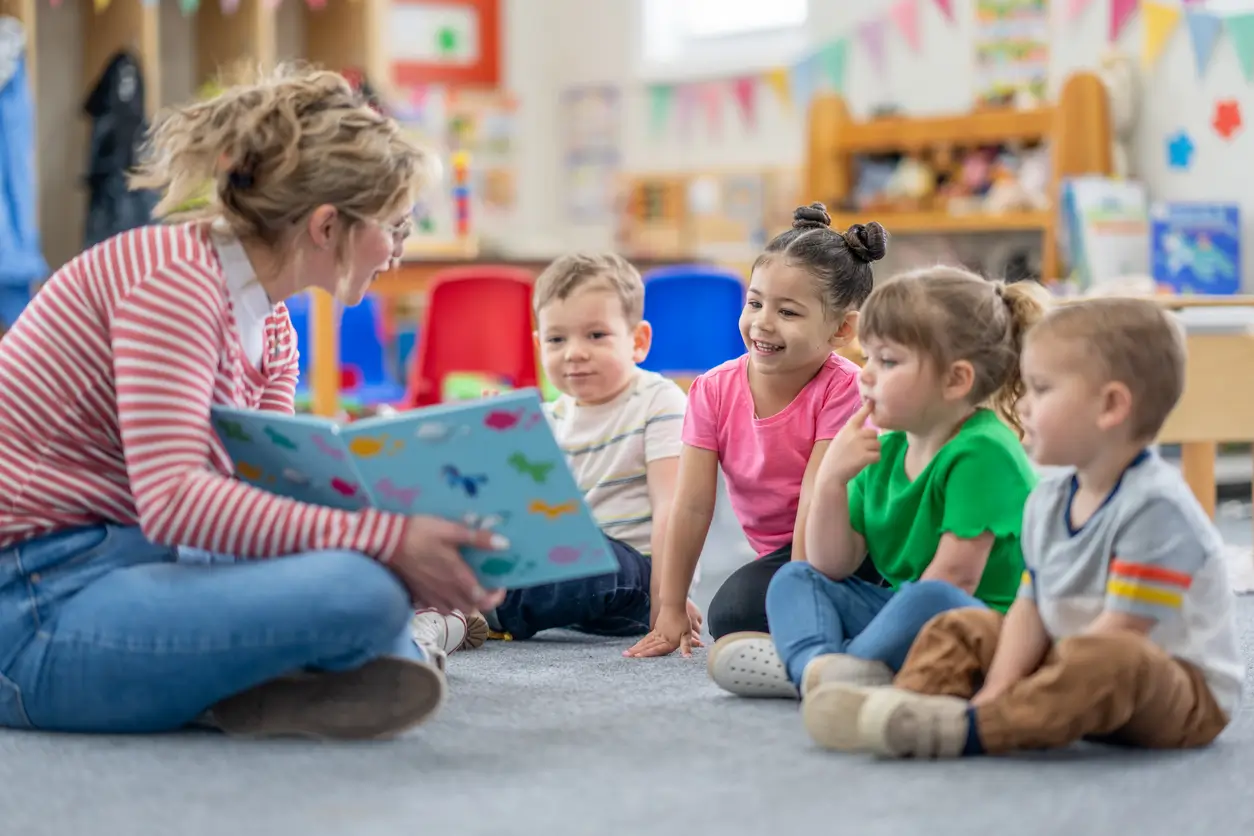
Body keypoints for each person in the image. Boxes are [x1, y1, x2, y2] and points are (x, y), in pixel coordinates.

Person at [0, 65, 509, 740]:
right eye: (397, 225)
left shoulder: (270, 321)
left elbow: (269, 489)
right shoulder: (174, 284)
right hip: (37, 603)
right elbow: (176, 499)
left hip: (142, 559)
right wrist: (388, 540)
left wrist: (394, 510)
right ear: (328, 225)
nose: (399, 249)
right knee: (363, 594)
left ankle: (269, 673)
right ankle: (306, 664)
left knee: (368, 580)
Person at [802, 297, 1242, 758]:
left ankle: (970, 730)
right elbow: (1030, 609)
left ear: (1110, 406)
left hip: (1173, 691)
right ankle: (906, 707)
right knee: (962, 626)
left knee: (1107, 659)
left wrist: (999, 703)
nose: (1023, 405)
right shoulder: (1050, 499)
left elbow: (1120, 632)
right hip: (1066, 657)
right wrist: (997, 685)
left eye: (1040, 389)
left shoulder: (1157, 507)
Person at [707, 267, 1046, 700]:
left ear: (955, 380)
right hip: (906, 615)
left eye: (887, 361)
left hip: (979, 627)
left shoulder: (984, 450)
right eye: (867, 357)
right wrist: (831, 479)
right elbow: (831, 565)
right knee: (796, 579)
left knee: (931, 598)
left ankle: (832, 667)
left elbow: (955, 580)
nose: (865, 375)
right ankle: (819, 668)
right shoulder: (883, 449)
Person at [625, 203, 885, 659]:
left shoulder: (845, 388)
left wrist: (801, 599)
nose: (762, 322)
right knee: (733, 612)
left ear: (841, 328)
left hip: (854, 546)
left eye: (788, 312)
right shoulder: (712, 390)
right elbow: (691, 506)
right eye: (755, 303)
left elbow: (817, 497)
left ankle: (846, 634)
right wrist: (669, 605)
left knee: (750, 608)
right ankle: (844, 629)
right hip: (784, 554)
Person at [413, 253, 703, 648]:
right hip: (564, 565)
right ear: (538, 345)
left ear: (638, 341)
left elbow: (673, 507)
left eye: (596, 335)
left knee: (597, 558)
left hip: (639, 579)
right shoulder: (546, 417)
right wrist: (492, 454)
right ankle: (448, 597)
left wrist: (668, 601)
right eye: (556, 339)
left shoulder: (660, 401)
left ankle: (464, 606)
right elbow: (527, 515)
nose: (574, 352)